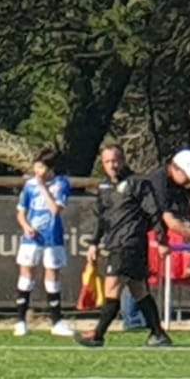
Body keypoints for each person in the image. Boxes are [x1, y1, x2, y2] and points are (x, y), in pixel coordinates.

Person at [76, 142, 175, 350]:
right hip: (116, 243)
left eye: (115, 160)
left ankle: (98, 335)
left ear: (123, 160)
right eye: (107, 162)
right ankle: (158, 334)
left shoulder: (137, 183)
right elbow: (101, 218)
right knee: (139, 290)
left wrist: (161, 239)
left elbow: (153, 212)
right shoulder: (104, 187)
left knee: (112, 287)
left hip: (129, 243)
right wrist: (94, 243)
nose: (112, 165)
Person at [13, 148, 76, 337]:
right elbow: (21, 212)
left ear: (50, 168)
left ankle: (56, 322)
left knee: (52, 275)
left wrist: (43, 188)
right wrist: (26, 226)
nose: (37, 171)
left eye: (41, 167)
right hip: (32, 238)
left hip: (53, 237)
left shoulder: (61, 183)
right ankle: (20, 321)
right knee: (26, 274)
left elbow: (55, 210)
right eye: (36, 167)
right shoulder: (29, 185)